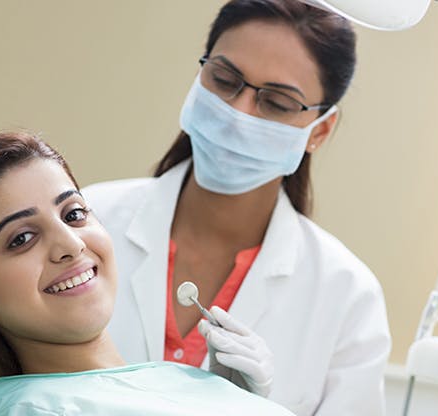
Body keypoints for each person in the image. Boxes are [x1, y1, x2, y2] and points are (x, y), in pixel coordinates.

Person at [81, 0, 391, 414]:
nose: (236, 113)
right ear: (199, 74)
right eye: (225, 79)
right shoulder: (86, 223)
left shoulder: (346, 296)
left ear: (321, 130)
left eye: (277, 102)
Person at [0, 132, 293, 415]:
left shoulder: (180, 382)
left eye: (74, 214)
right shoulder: (33, 409)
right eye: (22, 238)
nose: (71, 244)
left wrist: (229, 397)